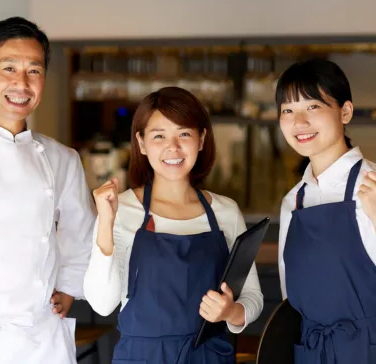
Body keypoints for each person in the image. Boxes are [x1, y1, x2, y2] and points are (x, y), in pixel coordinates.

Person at [0, 17, 95, 364]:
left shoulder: (62, 158)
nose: (22, 83)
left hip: (38, 340)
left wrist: (70, 288)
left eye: (34, 71)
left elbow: (82, 235)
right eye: (9, 68)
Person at [84, 87, 263, 363]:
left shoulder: (226, 212)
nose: (173, 147)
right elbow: (102, 304)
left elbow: (252, 297)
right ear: (142, 143)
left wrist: (230, 312)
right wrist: (106, 223)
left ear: (201, 139)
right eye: (159, 136)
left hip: (208, 356)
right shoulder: (120, 210)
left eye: (184, 134)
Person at [277, 59, 376, 364]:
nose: (299, 122)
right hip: (311, 352)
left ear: (345, 112)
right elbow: (289, 300)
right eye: (287, 111)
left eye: (313, 106)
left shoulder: (373, 185)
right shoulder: (292, 202)